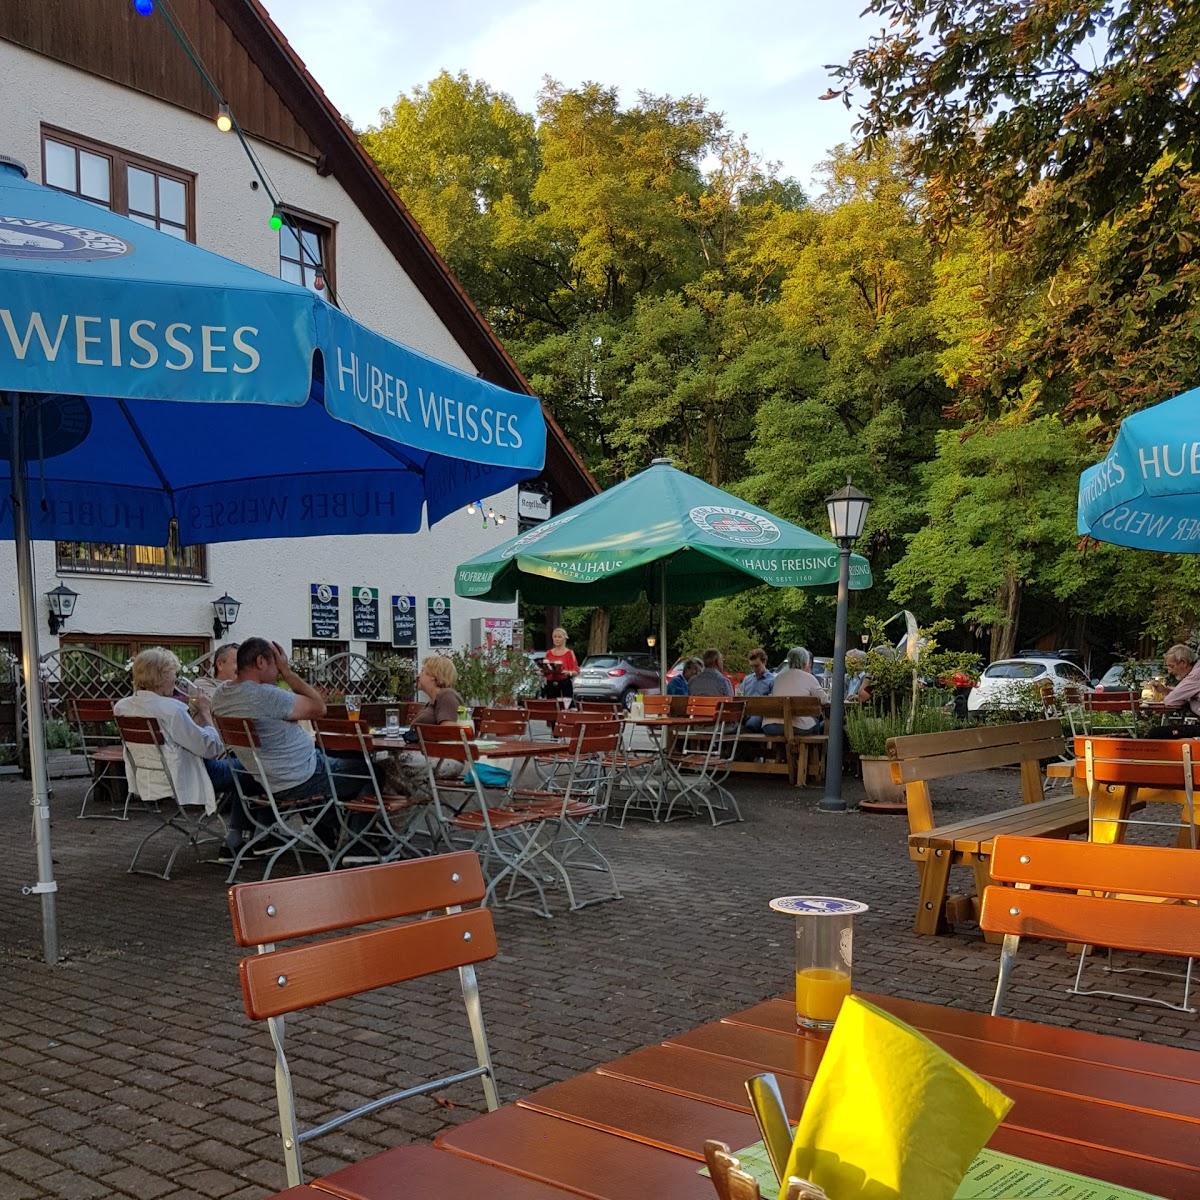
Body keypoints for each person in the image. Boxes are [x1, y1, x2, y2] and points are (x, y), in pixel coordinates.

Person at [212, 637, 366, 850]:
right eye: (276, 665)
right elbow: (320, 708)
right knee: (368, 772)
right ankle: (359, 846)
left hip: (264, 777)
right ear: (260, 662)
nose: (277, 672)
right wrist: (288, 673)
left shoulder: (221, 695)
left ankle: (331, 833)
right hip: (299, 777)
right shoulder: (266, 696)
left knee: (341, 764)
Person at [115, 647, 236, 850]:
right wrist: (206, 713)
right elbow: (211, 749)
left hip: (148, 778)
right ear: (160, 676)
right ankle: (244, 834)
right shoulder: (171, 709)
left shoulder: (122, 707)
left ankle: (243, 833)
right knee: (250, 770)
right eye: (173, 673)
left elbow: (180, 738)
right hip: (185, 776)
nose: (175, 679)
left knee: (245, 772)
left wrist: (192, 713)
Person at [767, 647, 826, 734]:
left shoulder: (778, 678)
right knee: (816, 724)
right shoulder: (809, 677)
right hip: (797, 726)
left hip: (771, 725)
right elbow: (824, 700)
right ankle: (815, 747)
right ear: (806, 662)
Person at [412, 655, 467, 725]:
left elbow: (449, 731)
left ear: (433, 675)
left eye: (422, 671)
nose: (418, 676)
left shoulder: (447, 696)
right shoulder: (435, 699)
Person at [541, 627, 579, 701]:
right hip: (551, 684)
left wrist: (567, 672)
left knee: (566, 706)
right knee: (551, 706)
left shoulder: (569, 653)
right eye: (555, 637)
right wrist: (543, 671)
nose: (557, 639)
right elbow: (545, 669)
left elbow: (576, 671)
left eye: (559, 637)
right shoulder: (549, 653)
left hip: (565, 684)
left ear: (564, 638)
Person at [1161, 644, 1200, 716]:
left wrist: (1187, 697)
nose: (1169, 672)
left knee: (1158, 728)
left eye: (1171, 666)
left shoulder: (1195, 675)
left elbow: (1170, 701)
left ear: (1183, 663)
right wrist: (1166, 690)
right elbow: (1183, 693)